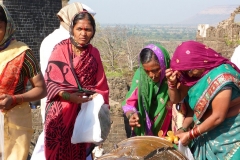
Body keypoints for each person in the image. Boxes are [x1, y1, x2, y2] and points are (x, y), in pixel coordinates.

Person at [31, 3, 96, 160]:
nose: (84, 31)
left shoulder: (49, 39)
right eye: (80, 26)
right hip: (64, 102)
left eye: (88, 27)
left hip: (54, 101)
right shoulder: (65, 44)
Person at [44, 10, 109, 160]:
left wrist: (96, 106)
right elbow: (51, 81)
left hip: (84, 114)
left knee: (78, 154)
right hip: (60, 113)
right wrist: (70, 97)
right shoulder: (60, 49)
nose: (83, 33)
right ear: (72, 28)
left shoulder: (94, 54)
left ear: (93, 32)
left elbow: (101, 86)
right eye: (79, 29)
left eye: (88, 29)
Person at [166, 40, 240, 159]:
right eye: (185, 72)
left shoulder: (222, 77)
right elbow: (178, 101)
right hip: (206, 132)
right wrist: (172, 84)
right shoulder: (194, 77)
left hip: (230, 136)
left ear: (199, 60)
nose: (189, 75)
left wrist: (190, 134)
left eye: (190, 71)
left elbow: (218, 116)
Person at [0, 4, 47, 160]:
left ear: (7, 27)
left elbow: (41, 89)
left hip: (14, 124)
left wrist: (15, 98)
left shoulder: (22, 53)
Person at [122, 44, 172, 136]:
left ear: (164, 64)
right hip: (144, 130)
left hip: (168, 132)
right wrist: (131, 115)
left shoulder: (173, 77)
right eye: (147, 71)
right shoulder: (140, 76)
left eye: (156, 70)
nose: (151, 75)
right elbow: (129, 102)